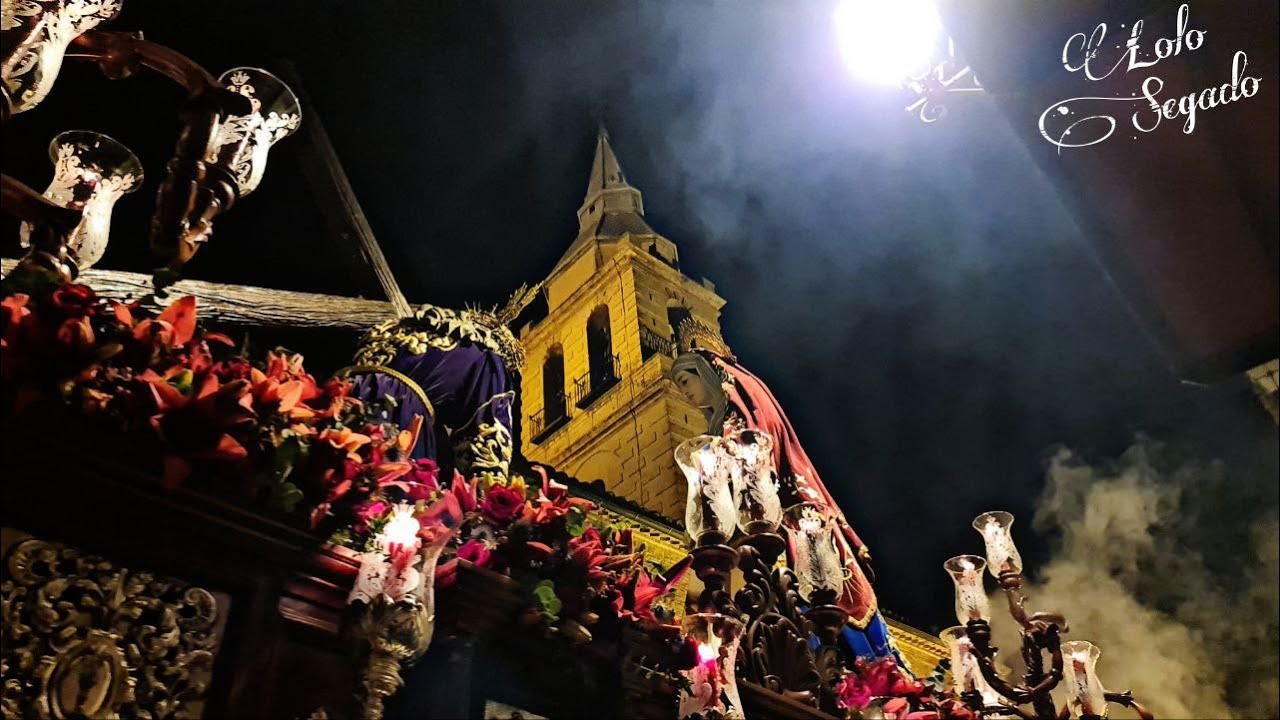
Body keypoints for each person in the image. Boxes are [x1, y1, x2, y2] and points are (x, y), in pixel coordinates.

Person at [670, 348, 906, 665]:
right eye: (679, 387)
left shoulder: (738, 415)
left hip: (776, 521)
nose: (684, 393)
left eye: (686, 381)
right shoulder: (726, 417)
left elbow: (751, 457)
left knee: (796, 603)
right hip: (755, 531)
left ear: (707, 374)